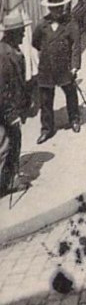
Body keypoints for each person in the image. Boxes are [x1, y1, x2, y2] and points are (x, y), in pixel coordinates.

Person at [32, 0, 82, 143]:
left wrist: (74, 66)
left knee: (70, 93)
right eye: (54, 8)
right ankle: (47, 128)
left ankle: (74, 119)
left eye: (60, 8)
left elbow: (76, 46)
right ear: (49, 9)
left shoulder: (70, 23)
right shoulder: (42, 25)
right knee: (45, 99)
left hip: (64, 67)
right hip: (46, 67)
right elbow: (35, 43)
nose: (57, 11)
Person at [0, 11, 29, 198]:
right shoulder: (4, 56)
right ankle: (6, 184)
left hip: (10, 109)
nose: (24, 34)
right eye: (21, 31)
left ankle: (10, 178)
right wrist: (12, 116)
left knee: (11, 143)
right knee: (6, 146)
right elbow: (2, 90)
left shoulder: (11, 50)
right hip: (5, 111)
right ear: (11, 33)